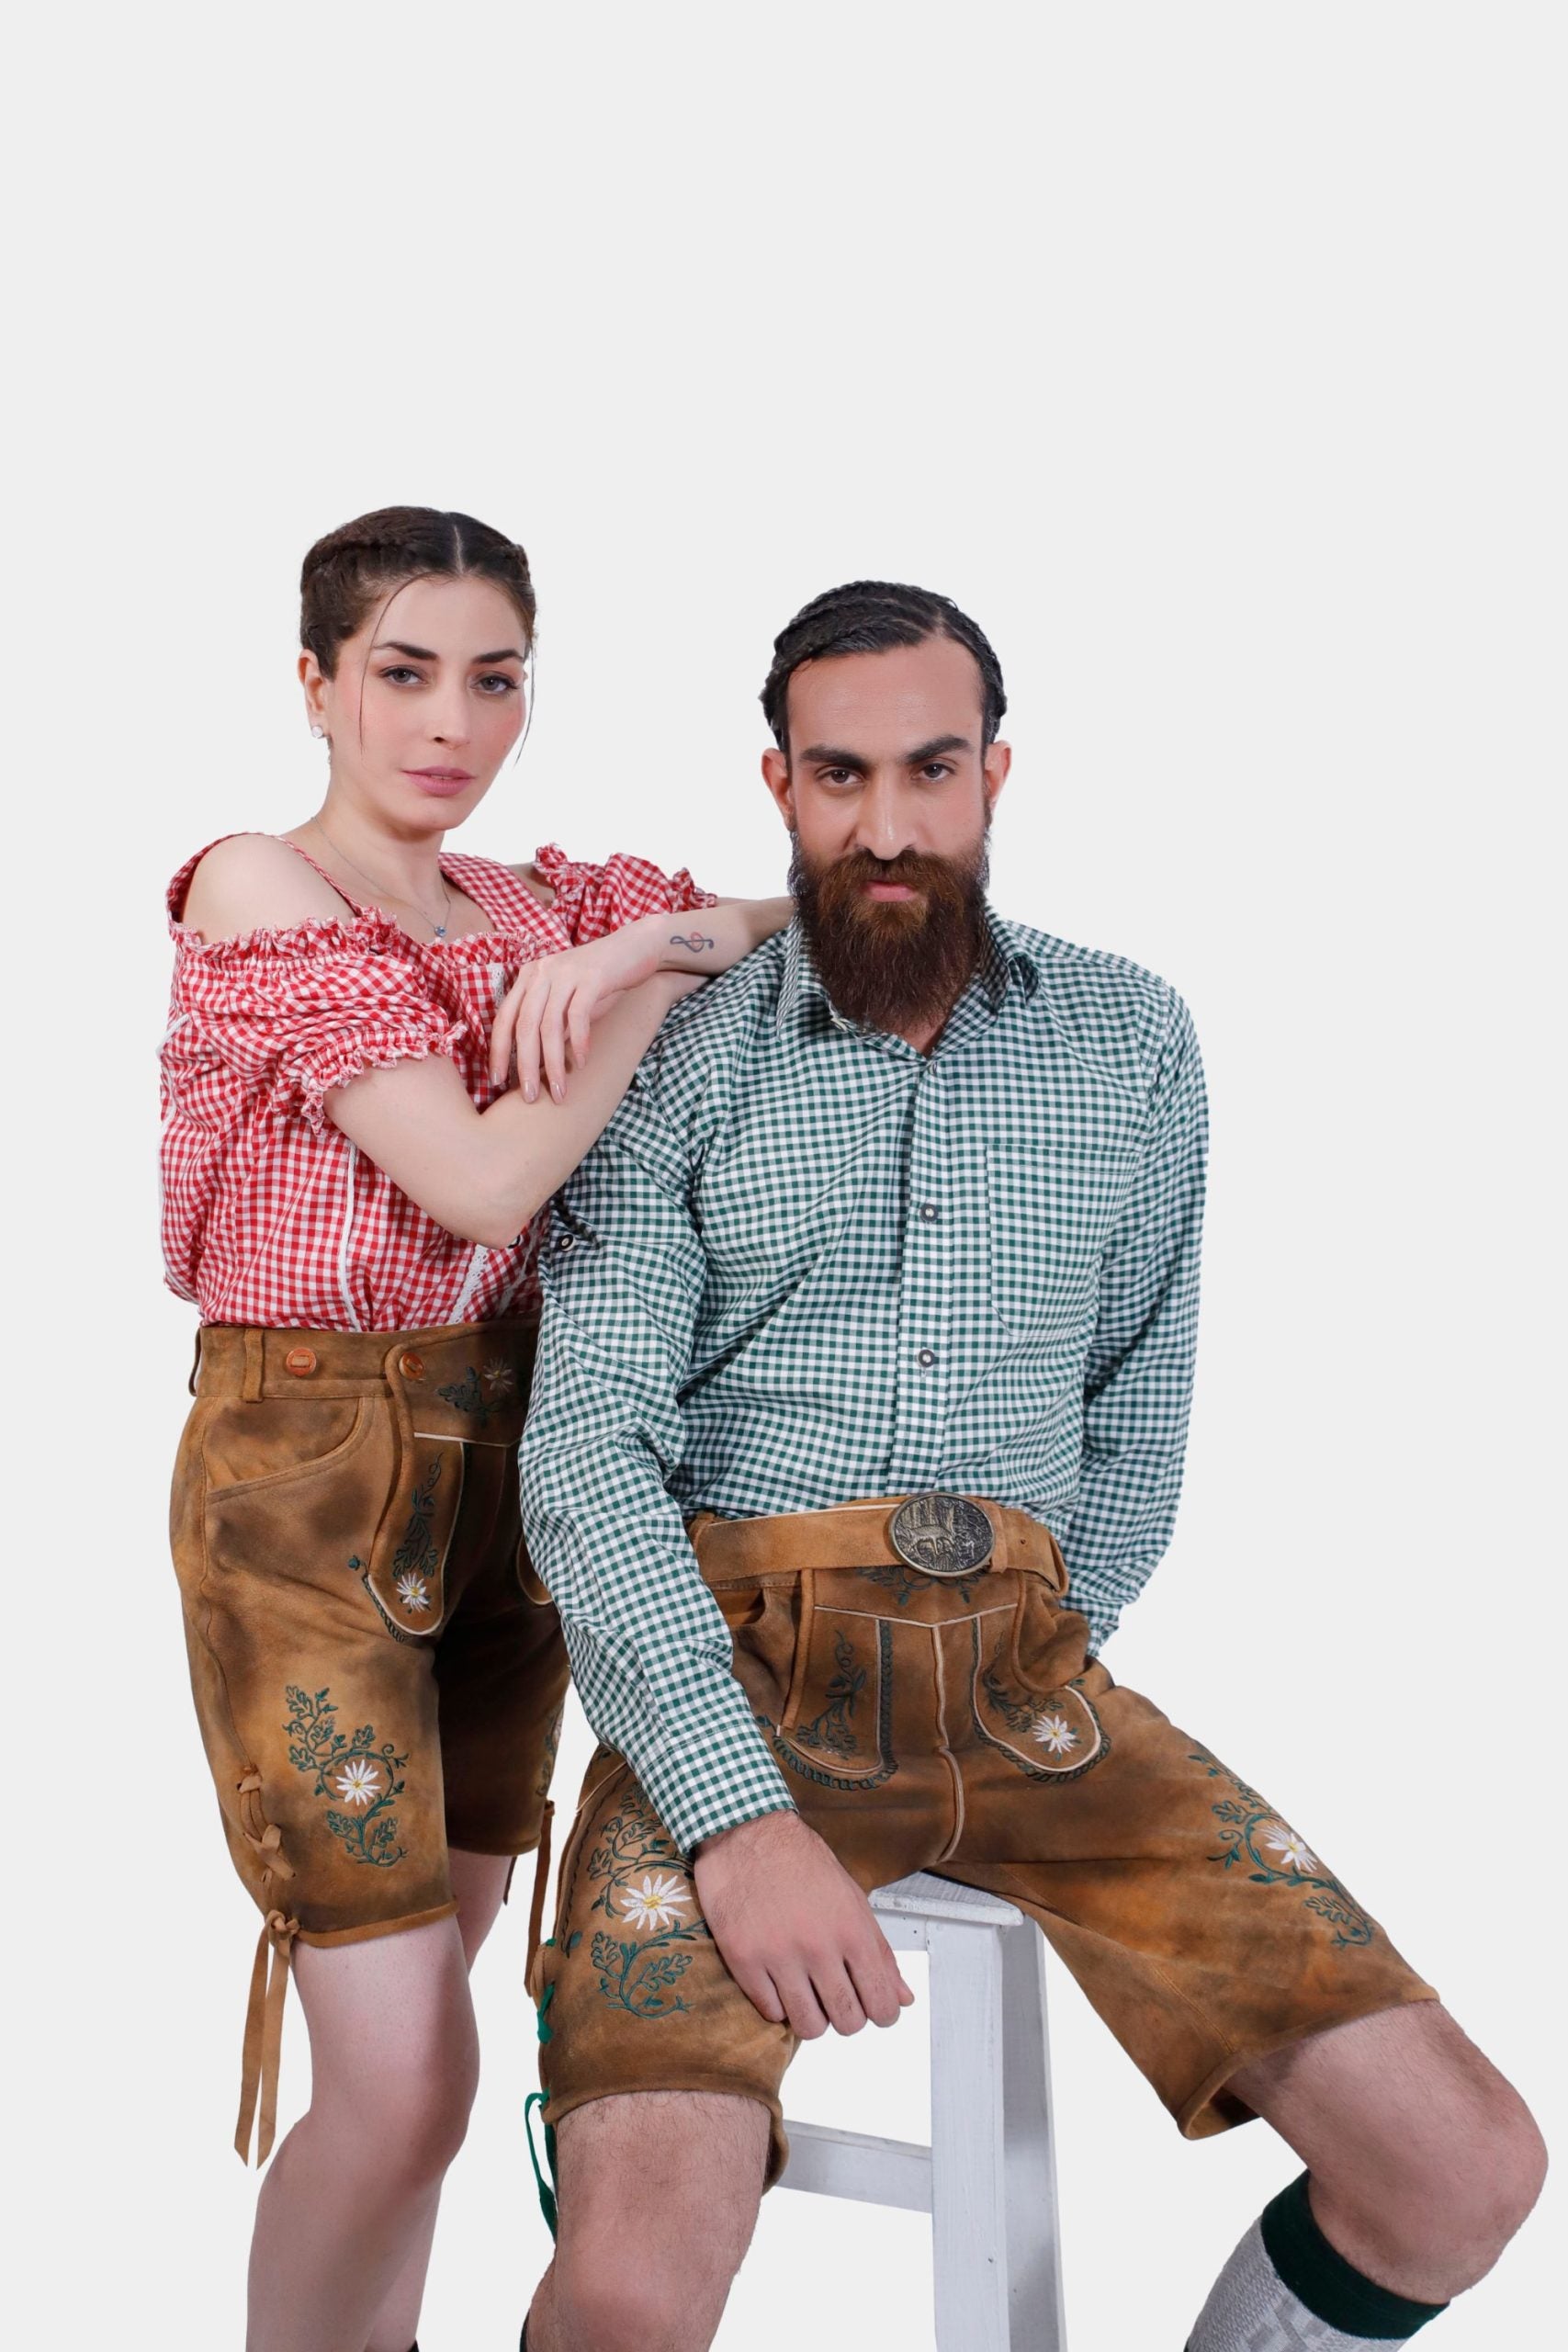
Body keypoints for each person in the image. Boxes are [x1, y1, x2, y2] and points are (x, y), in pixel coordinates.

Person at [517, 581, 1546, 2352]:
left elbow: (1142, 1399)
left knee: (1466, 2173)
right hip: (736, 1684)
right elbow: (586, 1448)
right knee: (627, 2295)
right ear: (778, 786)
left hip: (1038, 1688)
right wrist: (736, 1814)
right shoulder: (679, 1047)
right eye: (840, 777)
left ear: (999, 772)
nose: (889, 825)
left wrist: (1042, 1637)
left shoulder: (1134, 1040)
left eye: (931, 768)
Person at [162, 504, 790, 2352]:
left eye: (490, 678)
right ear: (317, 684)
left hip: (530, 1465)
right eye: (401, 672)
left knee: (433, 2034)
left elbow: (785, 919)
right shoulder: (257, 885)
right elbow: (475, 1173)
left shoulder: (533, 908)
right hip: (309, 1481)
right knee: (402, 2075)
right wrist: (632, 999)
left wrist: (643, 938)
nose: (446, 721)